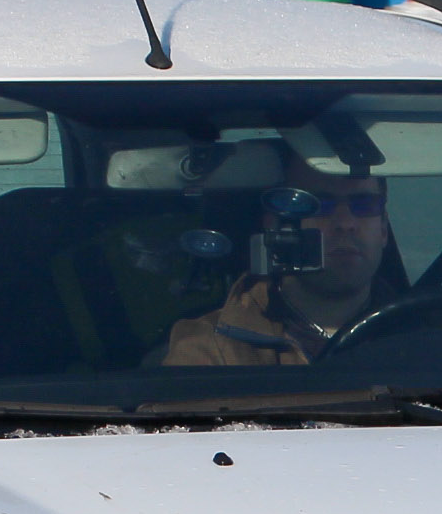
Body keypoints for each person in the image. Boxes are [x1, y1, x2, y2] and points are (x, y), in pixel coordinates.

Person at [152, 157, 395, 367]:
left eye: (364, 205)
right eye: (320, 205)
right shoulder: (211, 349)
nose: (346, 223)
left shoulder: (416, 335)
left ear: (383, 228)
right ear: (274, 225)